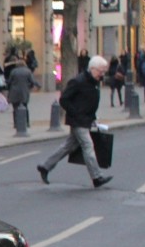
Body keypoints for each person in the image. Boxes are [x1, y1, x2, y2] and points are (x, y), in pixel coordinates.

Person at [37, 54, 112, 188]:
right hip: (78, 121)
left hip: (85, 119)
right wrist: (77, 114)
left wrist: (92, 117)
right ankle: (97, 177)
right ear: (93, 69)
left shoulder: (94, 82)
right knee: (88, 146)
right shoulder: (78, 81)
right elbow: (64, 99)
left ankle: (45, 166)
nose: (103, 74)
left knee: (68, 146)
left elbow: (89, 102)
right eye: (101, 71)